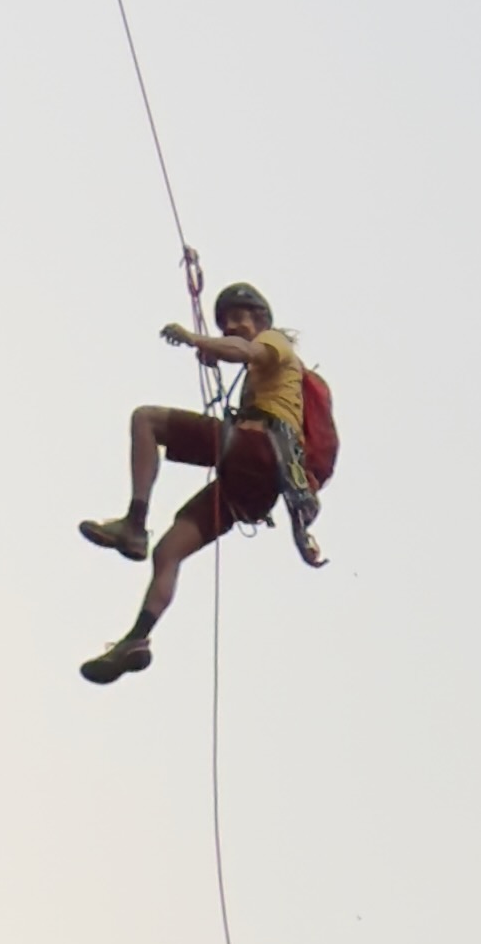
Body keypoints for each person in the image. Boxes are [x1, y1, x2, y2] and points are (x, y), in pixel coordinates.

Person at [73, 279, 330, 684]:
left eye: (237, 319)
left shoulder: (274, 343)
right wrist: (215, 350)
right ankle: (137, 639)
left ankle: (134, 523)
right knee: (169, 550)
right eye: (225, 322)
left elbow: (244, 350)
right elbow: (239, 353)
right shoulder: (261, 376)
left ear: (260, 318)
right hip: (253, 488)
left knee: (147, 419)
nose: (231, 327)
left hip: (256, 448)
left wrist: (198, 339)